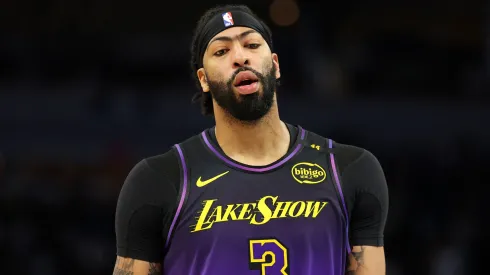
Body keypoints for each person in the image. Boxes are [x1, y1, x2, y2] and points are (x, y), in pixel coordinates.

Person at [113, 4, 389, 275]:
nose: (240, 57)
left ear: (276, 65)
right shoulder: (160, 179)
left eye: (252, 46)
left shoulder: (348, 169)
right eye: (221, 51)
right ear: (203, 80)